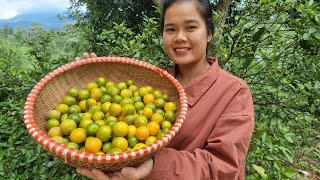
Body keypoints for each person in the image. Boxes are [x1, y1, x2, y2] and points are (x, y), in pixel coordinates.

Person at [76, 0, 255, 179]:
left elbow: (223, 168)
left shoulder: (234, 92)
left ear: (209, 33)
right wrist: (93, 77)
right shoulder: (155, 83)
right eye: (170, 29)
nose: (179, 37)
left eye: (191, 27)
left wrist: (155, 165)